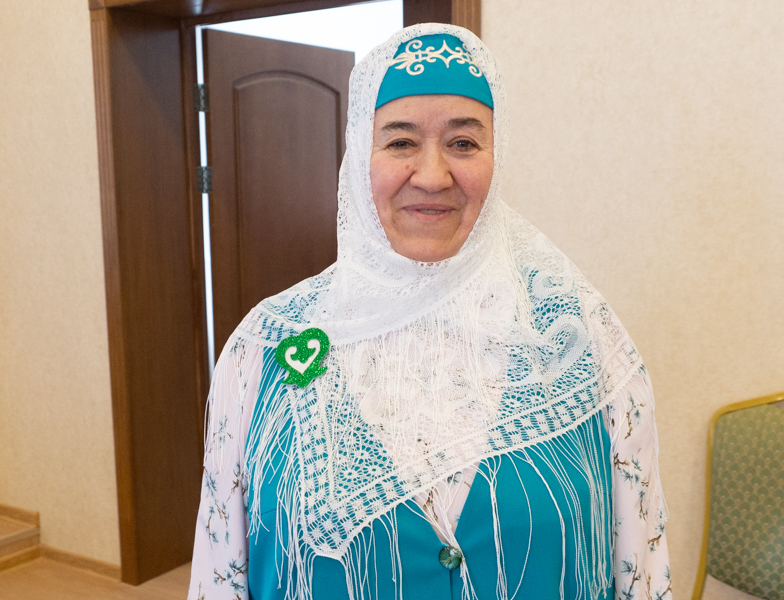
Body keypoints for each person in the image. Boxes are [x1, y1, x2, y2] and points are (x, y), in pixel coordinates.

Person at [188, 23, 671, 600]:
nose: (434, 176)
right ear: (358, 156)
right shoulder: (263, 348)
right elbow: (220, 575)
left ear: (497, 155)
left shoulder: (581, 338)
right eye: (400, 142)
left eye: (464, 143)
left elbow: (641, 566)